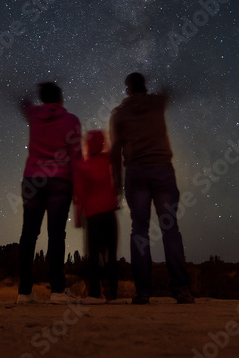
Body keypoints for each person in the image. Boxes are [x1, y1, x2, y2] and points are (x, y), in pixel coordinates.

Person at [110, 73, 194, 304]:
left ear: (127, 90)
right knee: (170, 228)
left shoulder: (119, 113)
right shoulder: (157, 103)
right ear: (145, 86)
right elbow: (170, 90)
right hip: (162, 170)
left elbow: (115, 150)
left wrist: (117, 182)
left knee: (139, 230)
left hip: (136, 172)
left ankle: (143, 292)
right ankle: (182, 289)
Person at [17, 81, 83, 304]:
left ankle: (24, 292)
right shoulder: (71, 121)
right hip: (59, 180)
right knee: (56, 235)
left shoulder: (35, 114)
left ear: (43, 99)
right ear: (60, 98)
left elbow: (23, 104)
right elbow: (76, 157)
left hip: (33, 179)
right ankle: (56, 290)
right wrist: (78, 191)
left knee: (29, 234)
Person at [73, 129, 120, 304]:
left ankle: (94, 293)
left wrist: (78, 215)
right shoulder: (107, 159)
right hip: (108, 213)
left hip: (92, 217)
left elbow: (79, 193)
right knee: (111, 255)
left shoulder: (82, 166)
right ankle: (112, 293)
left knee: (93, 255)